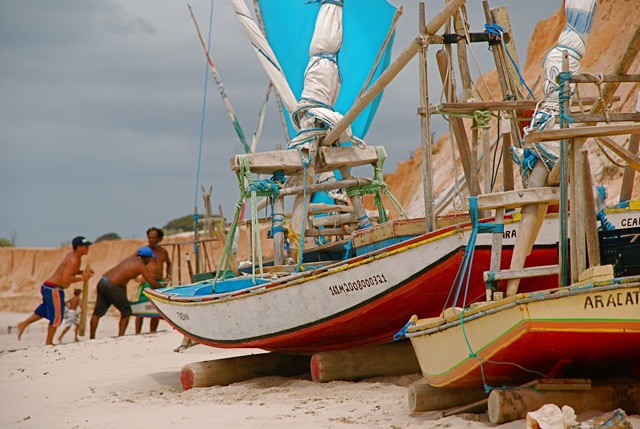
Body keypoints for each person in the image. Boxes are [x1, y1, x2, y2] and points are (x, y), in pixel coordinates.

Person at [17, 236, 94, 345]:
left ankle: (23, 324)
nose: (88, 248)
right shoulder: (74, 259)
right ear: (79, 247)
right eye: (86, 246)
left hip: (49, 287)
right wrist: (83, 278)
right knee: (57, 316)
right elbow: (67, 278)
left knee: (43, 311)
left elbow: (72, 272)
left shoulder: (75, 257)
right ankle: (48, 342)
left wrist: (82, 273)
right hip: (54, 289)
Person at [89, 246, 162, 339]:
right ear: (146, 257)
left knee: (97, 313)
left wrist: (125, 299)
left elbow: (123, 282)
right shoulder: (141, 266)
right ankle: (121, 336)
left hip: (103, 281)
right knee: (126, 312)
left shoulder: (130, 260)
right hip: (112, 286)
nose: (150, 260)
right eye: (150, 258)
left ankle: (92, 338)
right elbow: (152, 283)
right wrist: (162, 286)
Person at [134, 227, 171, 334]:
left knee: (156, 308)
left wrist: (168, 276)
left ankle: (152, 331)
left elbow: (169, 263)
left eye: (153, 238)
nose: (150, 240)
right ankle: (137, 332)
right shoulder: (143, 250)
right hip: (146, 283)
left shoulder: (163, 251)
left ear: (159, 239)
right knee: (140, 307)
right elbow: (132, 262)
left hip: (159, 282)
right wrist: (136, 278)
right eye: (149, 237)